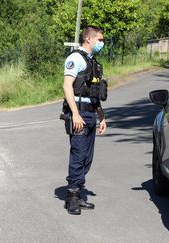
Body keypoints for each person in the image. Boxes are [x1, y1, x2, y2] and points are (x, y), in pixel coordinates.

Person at [62, 26, 107, 215]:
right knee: (78, 155)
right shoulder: (75, 59)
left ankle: (78, 193)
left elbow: (93, 93)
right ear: (88, 39)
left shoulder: (92, 62)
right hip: (78, 114)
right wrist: (75, 114)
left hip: (90, 114)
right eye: (99, 39)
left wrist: (101, 116)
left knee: (87, 158)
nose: (102, 43)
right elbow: (67, 86)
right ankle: (72, 196)